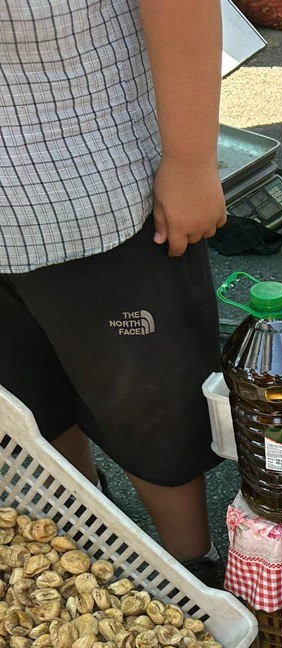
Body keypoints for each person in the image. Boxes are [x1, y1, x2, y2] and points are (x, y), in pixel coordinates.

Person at [0, 0, 227, 585]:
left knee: (152, 409)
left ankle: (192, 567)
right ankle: (86, 529)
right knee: (28, 403)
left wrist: (191, 160)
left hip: (93, 192)